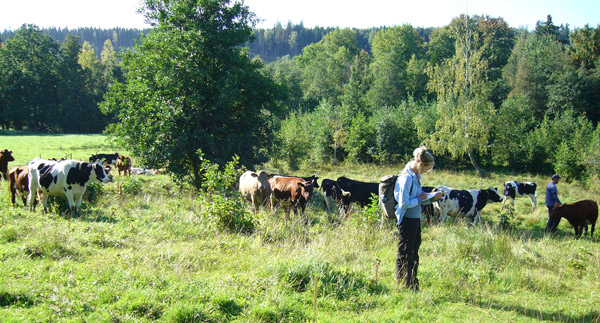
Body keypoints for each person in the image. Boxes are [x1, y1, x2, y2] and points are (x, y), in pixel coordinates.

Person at [394, 146, 443, 291]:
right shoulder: (406, 178)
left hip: (414, 219)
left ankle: (413, 284)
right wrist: (420, 198)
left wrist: (431, 197)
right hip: (406, 220)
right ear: (421, 164)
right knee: (405, 253)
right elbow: (403, 203)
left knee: (414, 252)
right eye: (427, 169)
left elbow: (418, 199)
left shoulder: (416, 176)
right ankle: (403, 283)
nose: (426, 172)